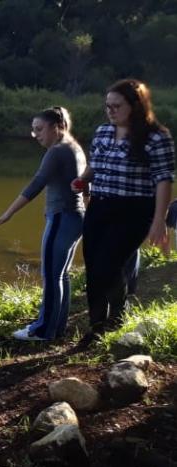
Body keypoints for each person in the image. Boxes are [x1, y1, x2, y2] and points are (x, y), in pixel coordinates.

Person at [74, 78, 174, 336]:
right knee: (93, 265)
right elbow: (96, 165)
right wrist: (83, 179)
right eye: (108, 106)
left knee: (109, 264)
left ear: (136, 105)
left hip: (134, 211)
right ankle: (96, 325)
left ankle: (117, 313)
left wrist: (159, 220)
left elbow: (163, 179)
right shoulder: (103, 132)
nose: (111, 111)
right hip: (100, 205)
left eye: (117, 106)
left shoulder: (156, 137)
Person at [0, 106, 86, 341]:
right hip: (75, 218)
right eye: (33, 131)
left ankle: (43, 330)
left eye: (40, 129)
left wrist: (8, 213)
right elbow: (85, 187)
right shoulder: (75, 147)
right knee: (61, 274)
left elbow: (36, 184)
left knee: (52, 275)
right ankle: (56, 327)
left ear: (56, 127)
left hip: (62, 217)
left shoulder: (57, 150)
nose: (36, 135)